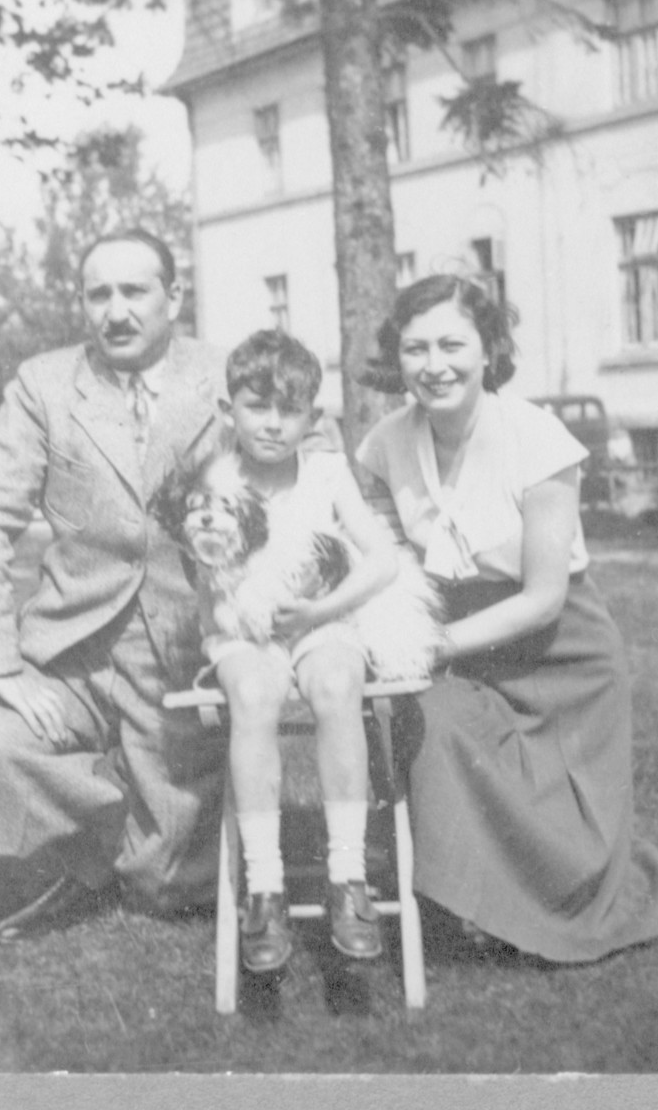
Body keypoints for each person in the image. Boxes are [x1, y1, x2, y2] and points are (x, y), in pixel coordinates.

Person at [355, 273, 658, 963]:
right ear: (398, 356)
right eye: (416, 348)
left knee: (569, 839)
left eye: (452, 344)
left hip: (560, 654)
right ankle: (444, 902)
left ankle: (545, 903)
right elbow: (383, 565)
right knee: (430, 725)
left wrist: (434, 646)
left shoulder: (538, 440)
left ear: (489, 348)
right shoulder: (385, 443)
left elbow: (543, 598)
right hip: (455, 641)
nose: (434, 365)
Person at [0, 228, 227, 941]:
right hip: (73, 650)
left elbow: (310, 481)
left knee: (167, 890)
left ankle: (123, 847)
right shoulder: (45, 385)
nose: (116, 312)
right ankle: (100, 839)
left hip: (186, 649)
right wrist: (0, 666)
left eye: (136, 291)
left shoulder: (226, 376)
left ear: (174, 297)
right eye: (100, 294)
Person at [204, 330, 401, 973]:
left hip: (319, 615)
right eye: (257, 407)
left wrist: (323, 609)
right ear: (227, 407)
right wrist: (247, 613)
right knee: (255, 695)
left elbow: (382, 559)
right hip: (245, 625)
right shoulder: (216, 477)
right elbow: (200, 573)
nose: (272, 424)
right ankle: (265, 886)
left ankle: (348, 877)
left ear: (312, 418)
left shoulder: (324, 471)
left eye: (290, 411)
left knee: (339, 684)